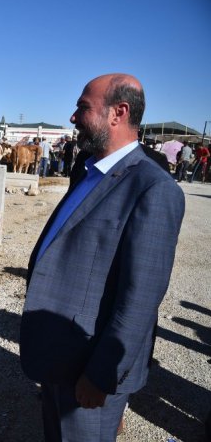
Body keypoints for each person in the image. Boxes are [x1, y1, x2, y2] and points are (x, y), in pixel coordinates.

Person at [19, 74, 185, 441]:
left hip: (88, 367)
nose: (73, 117)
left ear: (118, 113)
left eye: (82, 107)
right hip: (58, 356)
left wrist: (101, 374)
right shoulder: (88, 168)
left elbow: (140, 299)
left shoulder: (153, 189)